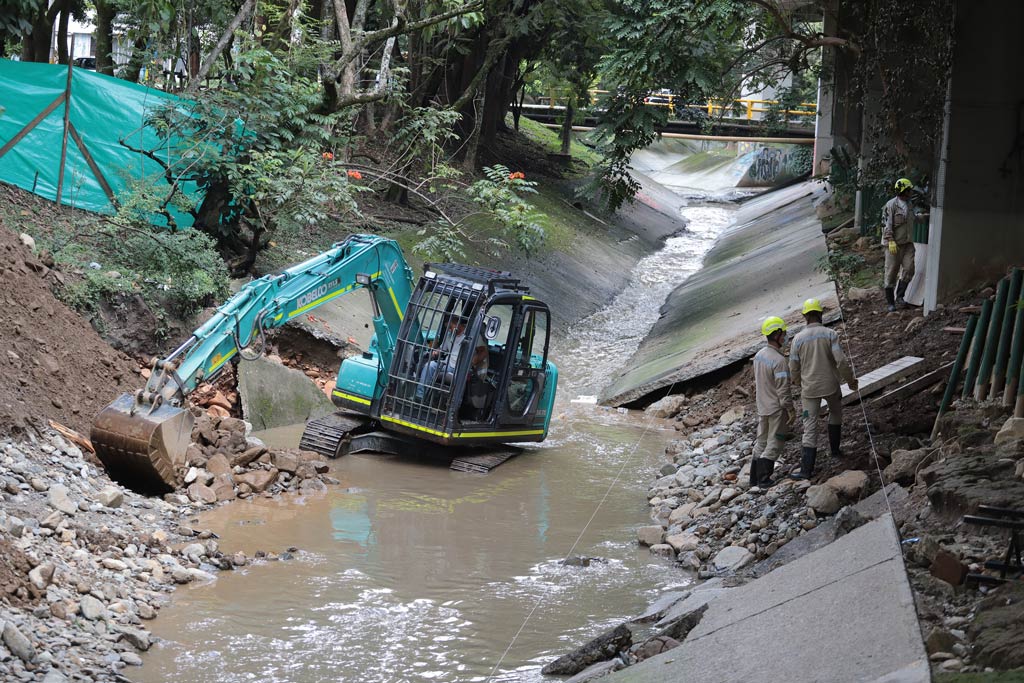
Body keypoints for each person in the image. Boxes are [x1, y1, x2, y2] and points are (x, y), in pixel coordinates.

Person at [789, 298, 858, 480]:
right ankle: (835, 451)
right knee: (835, 415)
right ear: (820, 314)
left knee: (809, 426)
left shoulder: (797, 339)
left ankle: (806, 470)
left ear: (805, 316)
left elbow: (793, 367)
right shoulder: (830, 334)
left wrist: (797, 382)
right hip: (831, 386)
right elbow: (841, 361)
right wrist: (851, 381)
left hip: (809, 389)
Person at [751, 316, 794, 489]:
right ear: (776, 335)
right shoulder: (779, 361)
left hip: (762, 406)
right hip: (776, 408)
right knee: (775, 441)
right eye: (783, 333)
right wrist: (790, 409)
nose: (785, 336)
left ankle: (753, 477)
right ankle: (763, 479)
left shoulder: (759, 356)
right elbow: (783, 390)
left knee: (761, 441)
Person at [881, 178, 916, 311]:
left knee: (909, 269)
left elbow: (911, 219)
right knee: (891, 272)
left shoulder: (910, 204)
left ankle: (900, 296)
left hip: (907, 243)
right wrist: (890, 240)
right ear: (904, 191)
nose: (911, 192)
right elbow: (885, 224)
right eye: (910, 190)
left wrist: (921, 217)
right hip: (893, 244)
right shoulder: (891, 205)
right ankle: (890, 303)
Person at [416, 318, 467, 399]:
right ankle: (420, 395)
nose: (449, 330)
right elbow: (442, 348)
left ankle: (453, 402)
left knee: (460, 378)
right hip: (447, 364)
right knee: (430, 365)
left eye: (450, 327)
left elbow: (481, 351)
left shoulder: (468, 336)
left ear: (457, 324)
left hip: (460, 368)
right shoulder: (450, 335)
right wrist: (435, 352)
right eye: (448, 328)